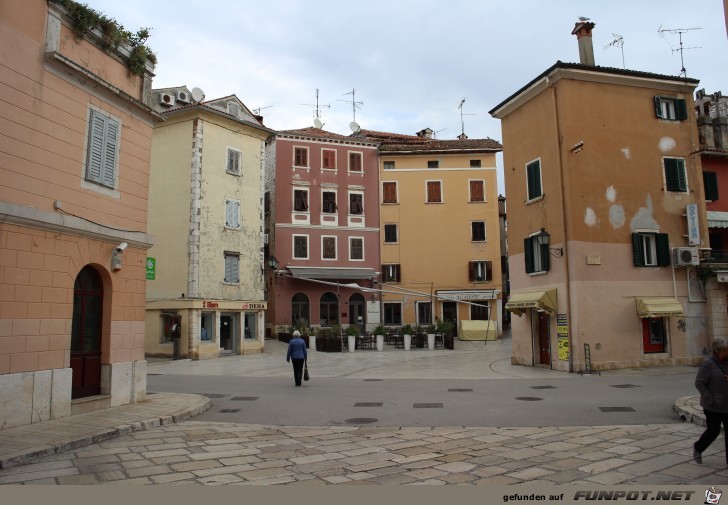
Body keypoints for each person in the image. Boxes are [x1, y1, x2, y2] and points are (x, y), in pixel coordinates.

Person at [693, 337, 728, 465]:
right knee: (714, 430)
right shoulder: (708, 364)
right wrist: (710, 398)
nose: (727, 353)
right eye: (725, 351)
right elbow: (699, 383)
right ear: (717, 351)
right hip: (712, 406)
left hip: (727, 404)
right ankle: (698, 447)